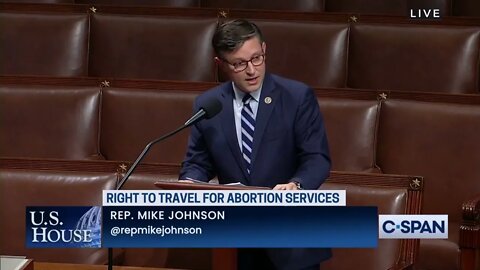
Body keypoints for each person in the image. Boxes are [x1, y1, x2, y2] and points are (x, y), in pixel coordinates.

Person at [179, 19, 331, 270]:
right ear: (220, 64)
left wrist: (297, 185)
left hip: (291, 240)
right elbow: (198, 163)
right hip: (235, 241)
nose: (251, 70)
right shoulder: (208, 105)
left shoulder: (296, 97)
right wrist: (189, 184)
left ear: (264, 49)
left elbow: (317, 158)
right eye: (239, 63)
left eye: (256, 58)